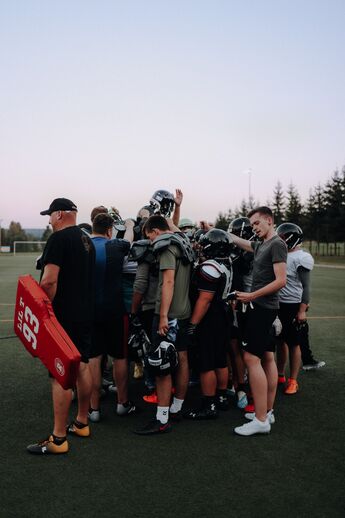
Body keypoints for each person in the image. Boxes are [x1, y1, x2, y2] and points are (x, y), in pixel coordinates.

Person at [27, 198, 95, 454]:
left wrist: (44, 313)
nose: (48, 220)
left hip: (63, 317)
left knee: (59, 375)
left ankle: (58, 439)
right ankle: (82, 422)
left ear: (60, 215)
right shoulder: (86, 239)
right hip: (85, 313)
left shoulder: (58, 239)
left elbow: (48, 282)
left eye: (50, 215)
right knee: (83, 366)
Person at [229, 206, 287, 436]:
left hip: (262, 308)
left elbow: (281, 281)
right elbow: (242, 243)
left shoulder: (276, 244)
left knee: (251, 358)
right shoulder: (261, 244)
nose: (253, 228)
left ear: (269, 221)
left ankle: (261, 420)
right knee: (266, 357)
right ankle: (267, 411)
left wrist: (252, 295)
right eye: (251, 225)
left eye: (256, 223)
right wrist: (219, 232)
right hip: (262, 307)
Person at [134, 215, 193, 435]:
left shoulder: (166, 246)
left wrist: (163, 317)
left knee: (161, 364)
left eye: (150, 236)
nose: (150, 242)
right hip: (184, 310)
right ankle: (176, 408)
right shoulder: (182, 240)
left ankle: (162, 418)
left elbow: (168, 281)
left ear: (156, 231)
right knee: (183, 357)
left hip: (169, 314)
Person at [88, 212, 135, 422]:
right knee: (120, 357)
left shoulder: (83, 246)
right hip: (115, 310)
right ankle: (122, 404)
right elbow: (129, 241)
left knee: (94, 358)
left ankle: (94, 408)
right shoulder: (116, 245)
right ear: (109, 230)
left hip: (90, 310)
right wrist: (130, 225)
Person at [184, 229, 233, 419]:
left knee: (206, 363)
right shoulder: (226, 262)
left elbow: (204, 300)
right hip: (223, 312)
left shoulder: (209, 267)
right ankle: (220, 398)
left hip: (210, 316)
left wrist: (193, 324)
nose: (201, 247)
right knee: (220, 359)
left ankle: (209, 404)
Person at [276, 223, 315, 394]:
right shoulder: (282, 254)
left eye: (283, 238)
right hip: (277, 304)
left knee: (293, 343)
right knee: (279, 341)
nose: (281, 241)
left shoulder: (301, 257)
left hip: (293, 304)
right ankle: (279, 374)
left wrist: (301, 310)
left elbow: (306, 287)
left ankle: (293, 380)